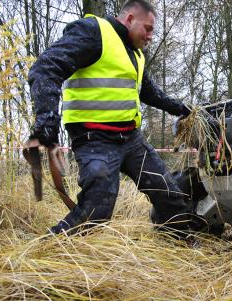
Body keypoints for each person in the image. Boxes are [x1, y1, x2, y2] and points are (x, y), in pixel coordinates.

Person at [28, 0, 194, 235]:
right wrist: (46, 118)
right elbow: (45, 68)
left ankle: (180, 241)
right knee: (97, 209)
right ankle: (52, 248)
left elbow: (149, 92)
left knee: (169, 193)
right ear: (129, 19)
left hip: (131, 139)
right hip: (94, 138)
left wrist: (182, 109)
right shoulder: (93, 32)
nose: (150, 37)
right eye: (148, 28)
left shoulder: (136, 55)